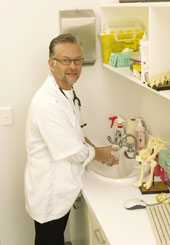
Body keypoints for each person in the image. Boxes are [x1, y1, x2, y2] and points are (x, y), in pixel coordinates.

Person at [24, 33, 118, 245]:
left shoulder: (65, 91)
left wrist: (95, 148)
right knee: (49, 239)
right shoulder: (47, 103)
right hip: (50, 192)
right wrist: (101, 154)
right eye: (66, 61)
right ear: (51, 63)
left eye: (77, 60)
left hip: (61, 187)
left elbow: (75, 133)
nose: (73, 66)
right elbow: (73, 151)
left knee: (55, 237)